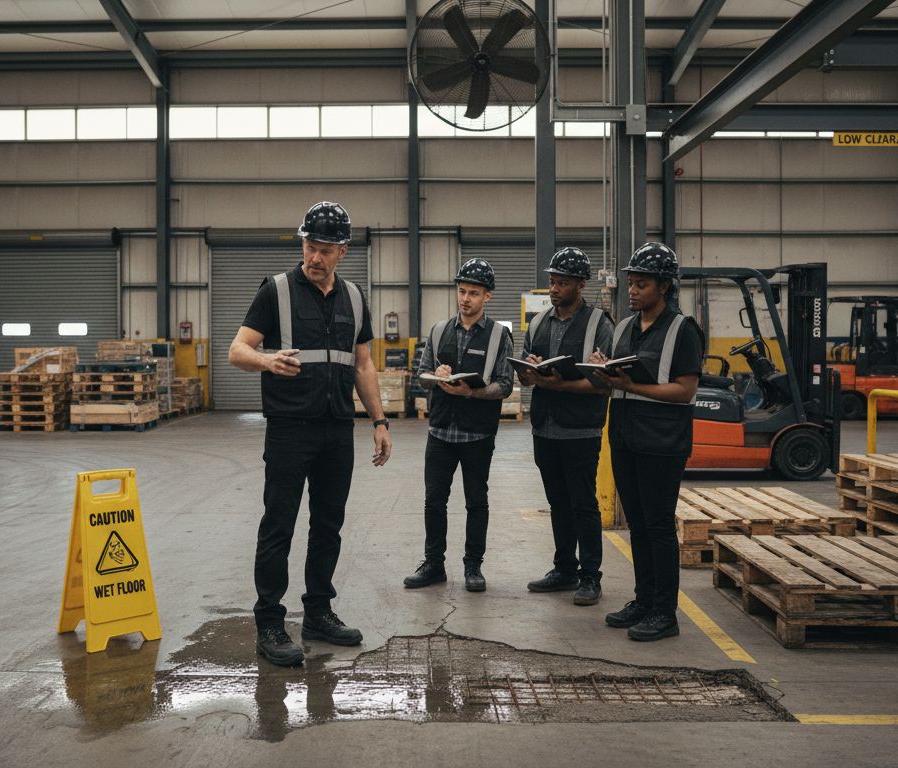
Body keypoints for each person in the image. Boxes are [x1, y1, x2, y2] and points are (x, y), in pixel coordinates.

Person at [228, 201, 393, 667]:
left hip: (337, 429)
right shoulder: (277, 291)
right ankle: (270, 623)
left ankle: (318, 612)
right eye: (308, 246)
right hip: (289, 429)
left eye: (323, 249)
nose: (313, 257)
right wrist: (266, 360)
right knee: (278, 525)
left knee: (328, 526)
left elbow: (362, 364)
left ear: (343, 250)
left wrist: (379, 422)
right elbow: (237, 350)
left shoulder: (355, 298)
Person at [588, 242, 704, 642]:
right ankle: (643, 600)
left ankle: (664, 612)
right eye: (631, 283)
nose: (632, 290)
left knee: (657, 525)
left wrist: (633, 386)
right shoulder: (624, 328)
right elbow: (621, 383)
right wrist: (605, 374)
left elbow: (685, 391)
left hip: (661, 441)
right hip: (624, 436)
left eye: (641, 284)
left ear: (664, 287)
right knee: (637, 523)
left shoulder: (682, 330)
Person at [403, 258, 514, 593]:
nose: (466, 298)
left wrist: (474, 391)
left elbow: (505, 385)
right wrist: (435, 377)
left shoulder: (499, 336)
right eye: (462, 291)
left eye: (474, 293)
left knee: (476, 501)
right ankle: (434, 564)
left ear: (487, 297)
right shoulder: (439, 331)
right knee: (434, 500)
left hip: (478, 434)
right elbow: (420, 378)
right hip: (440, 432)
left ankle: (473, 567)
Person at [517, 247, 615, 606]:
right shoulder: (540, 322)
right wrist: (529, 371)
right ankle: (564, 568)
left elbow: (605, 382)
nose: (555, 288)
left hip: (580, 430)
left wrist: (560, 385)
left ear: (580, 285)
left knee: (583, 504)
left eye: (563, 283)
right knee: (558, 502)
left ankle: (590, 575)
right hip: (545, 427)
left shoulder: (599, 324)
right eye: (552, 282)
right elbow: (528, 380)